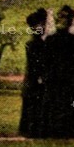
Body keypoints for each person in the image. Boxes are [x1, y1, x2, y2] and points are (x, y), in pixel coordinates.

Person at [41, 5, 74, 138]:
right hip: (69, 75)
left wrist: (43, 75)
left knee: (56, 103)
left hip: (55, 75)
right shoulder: (73, 39)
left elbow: (45, 60)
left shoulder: (51, 39)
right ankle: (68, 129)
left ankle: (55, 130)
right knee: (68, 102)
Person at [18, 8, 50, 137]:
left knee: (34, 105)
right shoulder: (35, 44)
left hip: (32, 80)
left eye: (43, 25)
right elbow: (36, 64)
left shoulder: (35, 43)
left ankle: (31, 129)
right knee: (35, 105)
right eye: (39, 25)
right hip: (35, 80)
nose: (42, 28)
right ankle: (34, 130)